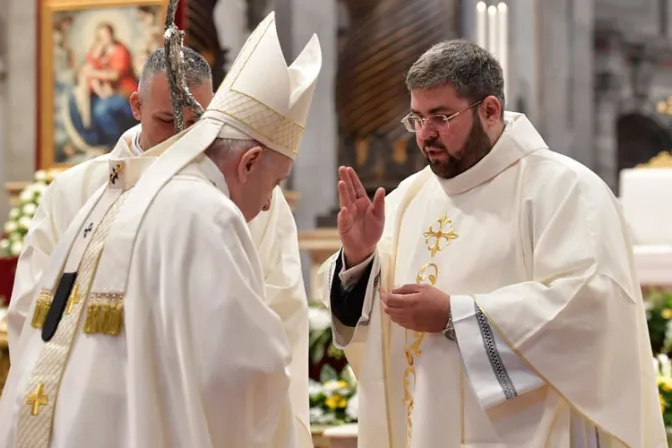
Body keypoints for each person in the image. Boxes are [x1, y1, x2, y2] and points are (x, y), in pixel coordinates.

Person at [319, 40, 666, 447]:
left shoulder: (565, 189)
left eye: (441, 116)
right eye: (416, 119)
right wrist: (359, 260)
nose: (426, 134)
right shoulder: (406, 200)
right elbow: (369, 330)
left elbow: (591, 308)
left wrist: (457, 315)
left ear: (490, 110)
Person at [5, 30, 314, 448]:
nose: (183, 140)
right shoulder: (96, 192)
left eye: (199, 124)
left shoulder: (233, 201)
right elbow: (35, 315)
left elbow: (280, 314)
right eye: (169, 121)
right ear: (136, 106)